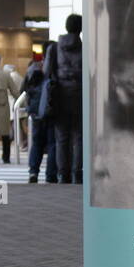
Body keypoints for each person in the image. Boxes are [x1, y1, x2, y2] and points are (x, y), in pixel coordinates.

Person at [45, 14, 84, 185]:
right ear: (81, 28)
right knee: (79, 136)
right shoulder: (86, 48)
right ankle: (78, 172)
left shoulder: (54, 48)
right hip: (80, 96)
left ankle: (63, 174)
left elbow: (46, 71)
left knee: (61, 137)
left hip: (59, 97)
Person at [20, 51, 58, 183]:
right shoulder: (54, 69)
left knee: (37, 143)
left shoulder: (32, 69)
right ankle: (51, 174)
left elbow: (23, 90)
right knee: (52, 144)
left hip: (36, 114)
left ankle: (33, 172)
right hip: (51, 112)